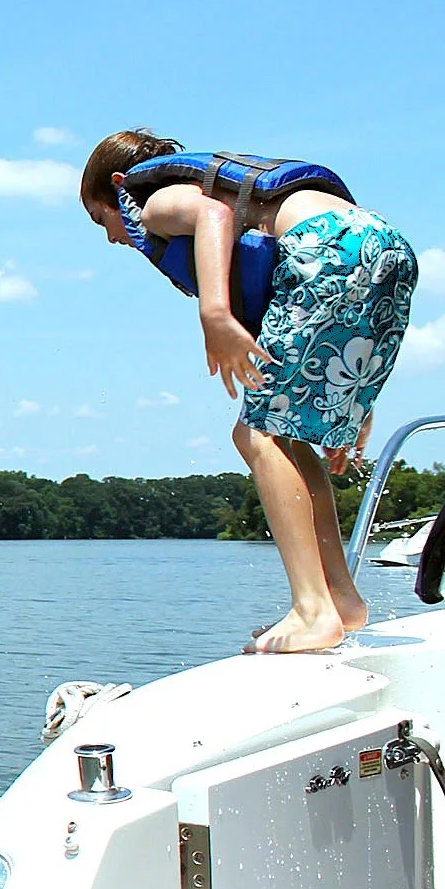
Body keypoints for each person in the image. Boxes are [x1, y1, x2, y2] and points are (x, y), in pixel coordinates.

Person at [80, 133, 420, 653]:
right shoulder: (258, 204)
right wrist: (358, 402)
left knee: (256, 434)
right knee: (287, 437)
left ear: (119, 188)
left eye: (101, 218)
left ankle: (313, 608)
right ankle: (340, 598)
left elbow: (212, 214)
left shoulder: (154, 201)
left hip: (324, 246)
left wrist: (213, 313)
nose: (111, 237)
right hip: (381, 246)